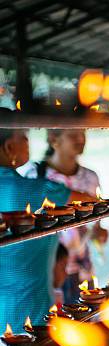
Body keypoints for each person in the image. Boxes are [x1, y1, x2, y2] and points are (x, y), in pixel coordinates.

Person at [0, 129, 93, 328]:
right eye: (24, 138)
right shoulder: (39, 189)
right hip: (28, 308)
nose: (28, 143)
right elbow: (89, 202)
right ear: (9, 148)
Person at [21, 129, 108, 304]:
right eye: (73, 134)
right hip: (48, 271)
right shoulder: (36, 176)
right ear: (54, 139)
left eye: (83, 133)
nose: (81, 139)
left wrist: (99, 233)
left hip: (82, 270)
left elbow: (96, 225)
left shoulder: (90, 178)